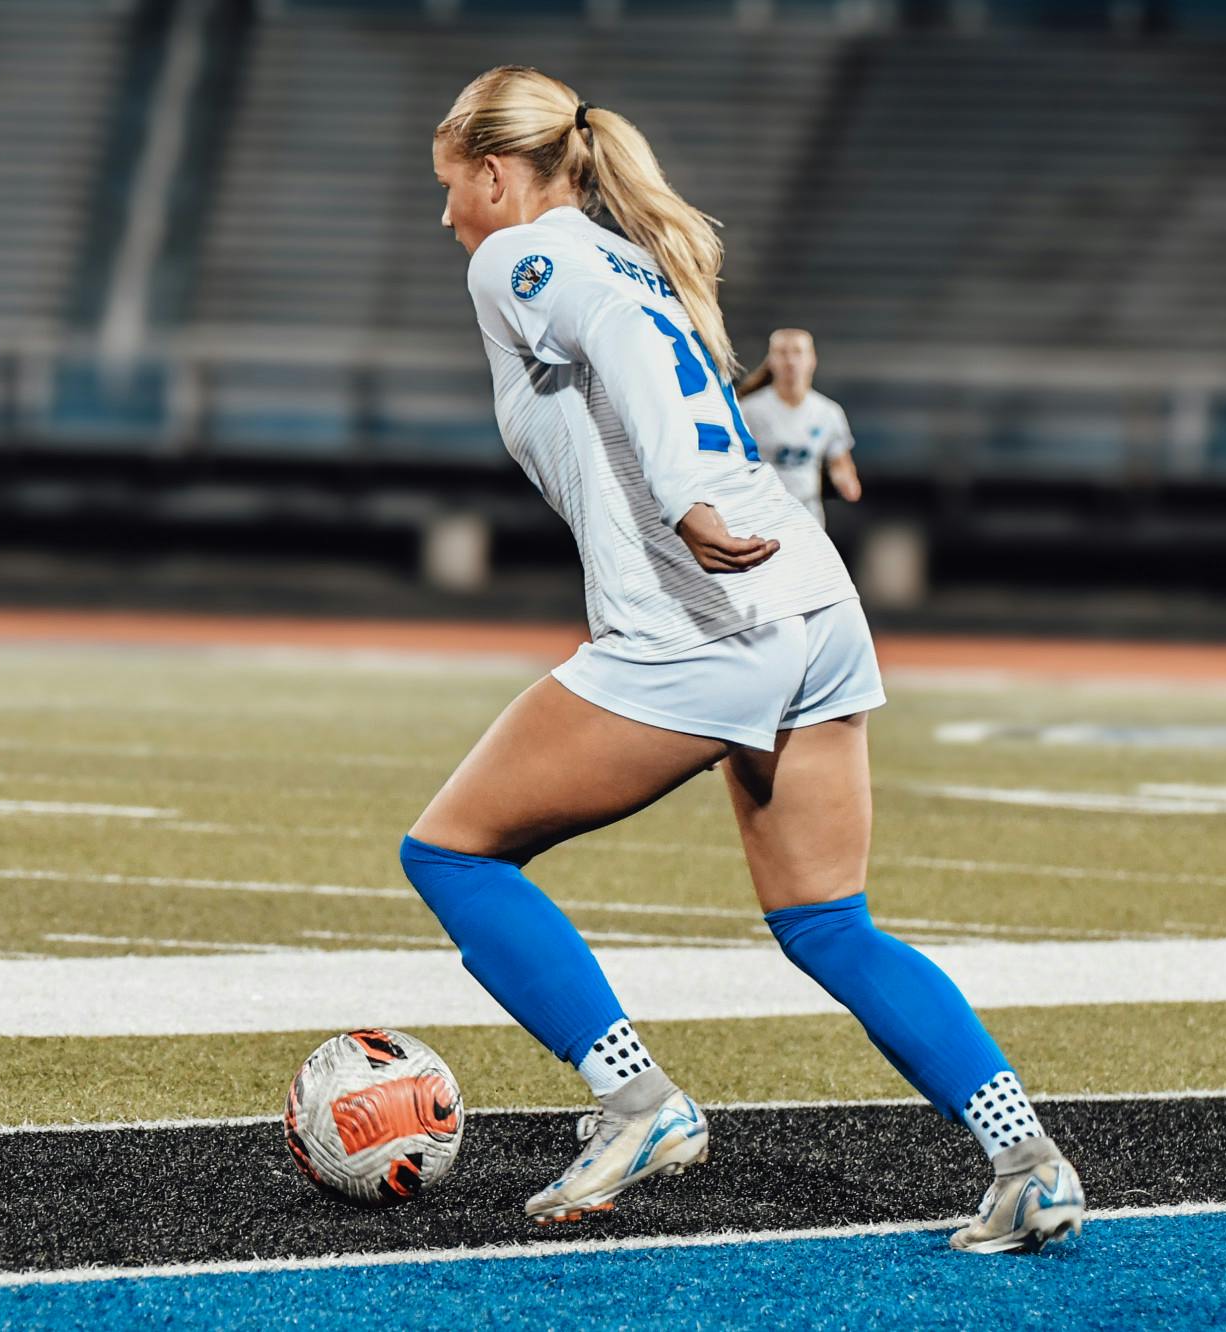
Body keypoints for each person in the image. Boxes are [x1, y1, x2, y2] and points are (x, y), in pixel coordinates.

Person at [407, 66, 1083, 1252]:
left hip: (700, 621)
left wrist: (677, 505)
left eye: (451, 185)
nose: (446, 212)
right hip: (813, 604)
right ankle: (1024, 1158)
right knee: (829, 924)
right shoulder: (627, 256)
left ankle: (637, 1101)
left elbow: (618, 353)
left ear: (499, 176)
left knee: (453, 854)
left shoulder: (526, 258)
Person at [736, 328, 861, 527]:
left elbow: (839, 459)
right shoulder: (749, 410)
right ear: (771, 360)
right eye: (782, 352)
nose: (790, 360)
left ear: (812, 360)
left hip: (807, 513)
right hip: (762, 514)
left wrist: (845, 479)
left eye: (797, 352)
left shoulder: (828, 412)